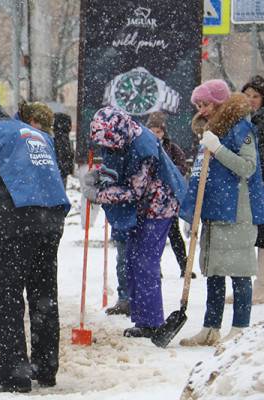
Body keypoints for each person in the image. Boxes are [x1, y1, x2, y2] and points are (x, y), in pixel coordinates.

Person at [0, 95, 69, 393]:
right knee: (43, 295)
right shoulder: (34, 133)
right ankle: (45, 366)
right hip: (51, 219)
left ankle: (14, 372)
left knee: (6, 297)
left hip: (16, 223)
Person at [82, 107, 186, 338]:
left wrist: (98, 195)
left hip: (159, 206)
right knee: (131, 260)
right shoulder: (124, 135)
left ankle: (152, 322)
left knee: (145, 262)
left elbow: (133, 191)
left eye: (110, 145)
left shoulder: (144, 149)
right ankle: (141, 318)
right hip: (142, 209)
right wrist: (100, 175)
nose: (108, 149)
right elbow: (117, 166)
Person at [180, 80, 264, 346]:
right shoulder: (210, 131)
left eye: (205, 104)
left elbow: (248, 167)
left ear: (219, 103)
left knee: (239, 271)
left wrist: (218, 148)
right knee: (214, 271)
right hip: (215, 210)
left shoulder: (242, 128)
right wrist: (194, 210)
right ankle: (210, 327)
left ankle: (240, 327)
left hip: (238, 210)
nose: (202, 110)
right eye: (198, 106)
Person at [146, 112, 194, 279]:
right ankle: (155, 267)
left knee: (174, 234)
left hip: (168, 199)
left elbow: (182, 166)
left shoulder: (172, 148)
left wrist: (171, 174)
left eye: (158, 131)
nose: (155, 135)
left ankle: (184, 266)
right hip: (150, 199)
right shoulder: (144, 147)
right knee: (153, 236)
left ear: (164, 132)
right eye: (152, 131)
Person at [242, 75, 264, 304]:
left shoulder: (259, 122)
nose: (251, 100)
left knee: (261, 235)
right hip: (253, 182)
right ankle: (253, 287)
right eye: (247, 96)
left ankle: (260, 287)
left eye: (256, 96)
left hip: (258, 181)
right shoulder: (246, 120)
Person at [53, 112, 75, 187]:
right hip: (62, 171)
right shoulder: (65, 138)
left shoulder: (57, 137)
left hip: (57, 171)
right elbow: (69, 155)